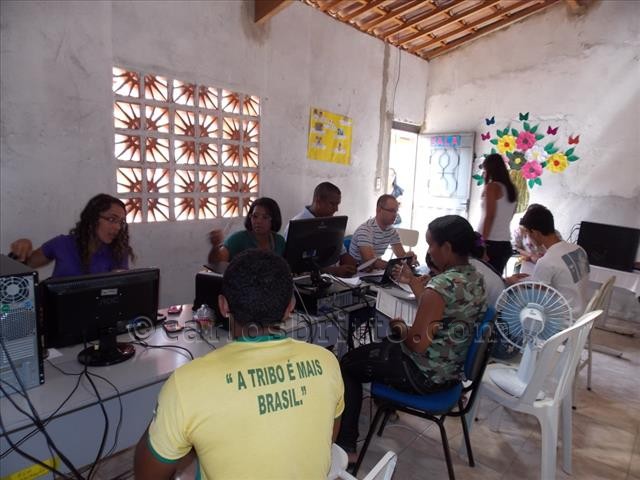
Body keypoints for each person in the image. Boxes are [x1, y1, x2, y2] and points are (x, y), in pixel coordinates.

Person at [134, 250, 345, 479]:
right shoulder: (327, 363)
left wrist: (168, 412)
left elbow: (148, 475)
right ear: (290, 307)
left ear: (223, 306)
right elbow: (327, 440)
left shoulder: (185, 385)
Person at [336, 215, 487, 460]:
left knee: (347, 364)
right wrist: (416, 286)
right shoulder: (475, 278)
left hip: (423, 376)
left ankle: (346, 445)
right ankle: (386, 407)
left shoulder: (441, 286)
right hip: (450, 372)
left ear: (447, 248)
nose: (429, 251)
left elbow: (417, 343)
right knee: (382, 347)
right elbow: (443, 313)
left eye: (431, 244)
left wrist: (401, 327)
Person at [9, 193, 134, 278]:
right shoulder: (62, 244)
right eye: (112, 219)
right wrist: (24, 245)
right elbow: (25, 265)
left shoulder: (118, 250)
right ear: (92, 219)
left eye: (121, 222)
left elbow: (117, 291)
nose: (118, 227)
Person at [507, 205, 590, 317]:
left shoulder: (546, 261)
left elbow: (535, 303)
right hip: (583, 315)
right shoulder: (579, 250)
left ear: (535, 233)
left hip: (563, 321)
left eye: (529, 234)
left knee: (510, 311)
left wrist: (514, 284)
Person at [284, 182, 357, 278]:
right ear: (318, 201)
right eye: (332, 204)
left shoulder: (332, 223)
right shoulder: (297, 225)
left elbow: (342, 253)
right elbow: (295, 265)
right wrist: (333, 271)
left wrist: (353, 266)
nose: (336, 209)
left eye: (337, 204)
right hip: (306, 282)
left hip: (334, 280)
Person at [208, 197, 285, 263]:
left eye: (265, 217)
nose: (258, 221)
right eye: (255, 216)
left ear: (274, 219)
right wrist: (215, 246)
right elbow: (217, 263)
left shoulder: (279, 241)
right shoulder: (238, 239)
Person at [348, 194, 415, 270]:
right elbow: (370, 262)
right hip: (357, 271)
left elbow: (401, 256)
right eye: (391, 211)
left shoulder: (391, 231)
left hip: (374, 271)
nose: (395, 215)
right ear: (379, 210)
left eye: (396, 211)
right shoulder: (365, 230)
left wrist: (408, 258)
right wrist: (395, 266)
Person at [478, 153, 517, 274]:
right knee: (495, 279)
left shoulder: (492, 187)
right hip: (505, 242)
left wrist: (481, 243)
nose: (484, 173)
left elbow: (490, 217)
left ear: (489, 169)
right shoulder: (512, 189)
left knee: (483, 280)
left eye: (485, 170)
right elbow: (510, 215)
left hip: (490, 242)